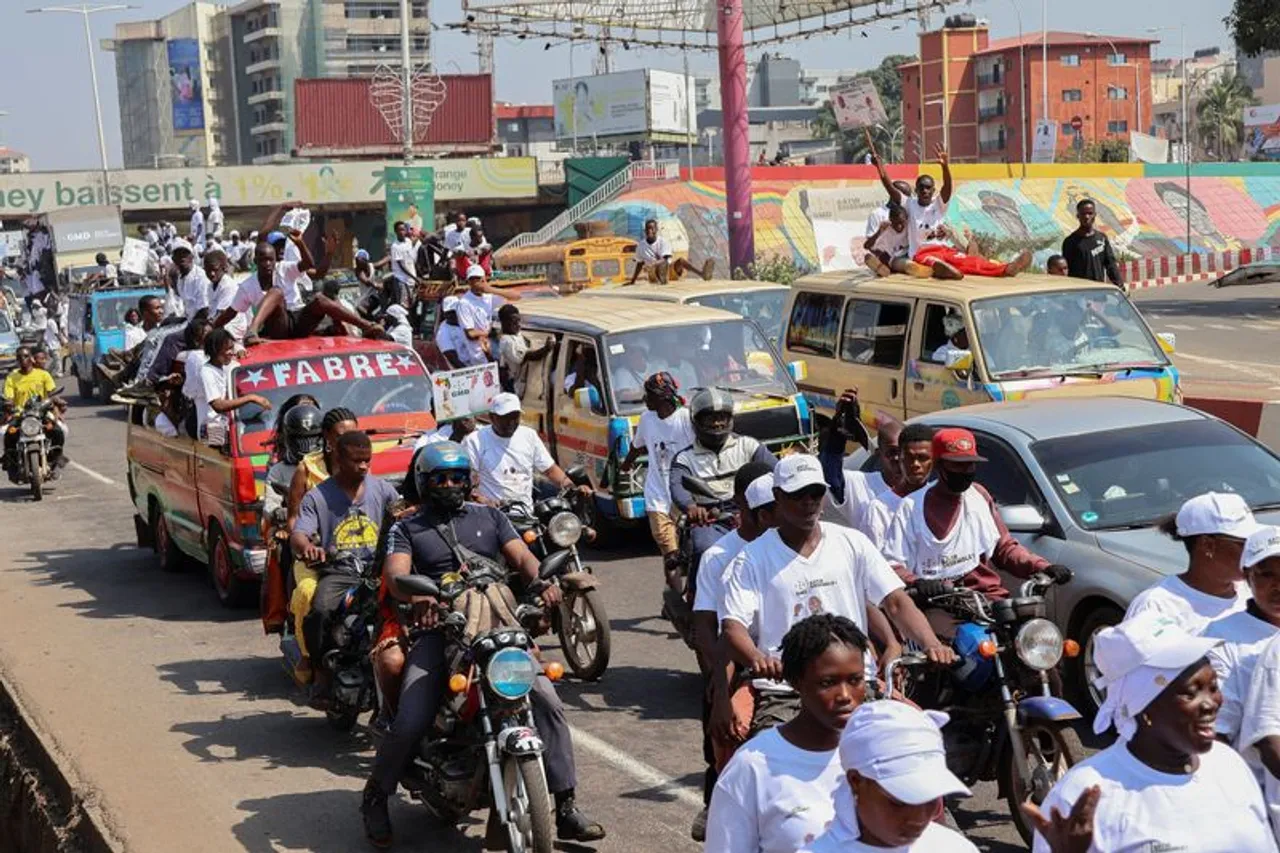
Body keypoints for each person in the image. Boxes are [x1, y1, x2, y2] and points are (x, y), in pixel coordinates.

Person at [362, 441, 605, 847]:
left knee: (547, 702)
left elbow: (523, 558)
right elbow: (396, 575)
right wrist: (419, 596)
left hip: (499, 627)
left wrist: (542, 582)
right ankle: (375, 796)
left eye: (457, 477)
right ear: (423, 482)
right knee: (411, 717)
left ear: (468, 479)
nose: (450, 485)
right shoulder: (407, 527)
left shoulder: (490, 517)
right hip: (441, 631)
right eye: (440, 478)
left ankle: (565, 806)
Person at [718, 454, 955, 737]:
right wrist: (758, 658)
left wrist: (930, 643)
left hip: (856, 686)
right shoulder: (750, 560)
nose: (809, 502)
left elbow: (895, 601)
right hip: (786, 692)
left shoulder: (852, 542)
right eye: (798, 495)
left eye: (816, 493)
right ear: (778, 496)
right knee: (772, 755)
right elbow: (733, 627)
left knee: (915, 741)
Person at [1027, 611, 1276, 853]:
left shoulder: (1230, 765)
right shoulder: (1083, 795)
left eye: (1213, 687)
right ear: (1143, 707)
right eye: (1191, 693)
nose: (1211, 703)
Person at [704, 614, 871, 853]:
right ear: (795, 682)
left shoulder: (878, 753)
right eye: (827, 682)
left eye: (855, 680)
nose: (845, 695)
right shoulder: (752, 767)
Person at [883, 427, 1069, 607]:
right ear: (939, 465)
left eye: (969, 464)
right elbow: (893, 564)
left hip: (986, 598)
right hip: (940, 602)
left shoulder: (978, 496)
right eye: (957, 465)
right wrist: (917, 582)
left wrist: (1042, 567)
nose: (965, 471)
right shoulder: (912, 507)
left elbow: (1004, 547)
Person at [691, 465, 776, 839]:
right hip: (738, 661)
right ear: (744, 503)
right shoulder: (719, 555)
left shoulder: (795, 544)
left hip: (786, 660)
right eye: (768, 507)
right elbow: (706, 626)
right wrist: (718, 679)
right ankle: (716, 801)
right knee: (722, 726)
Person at [291, 430, 401, 685]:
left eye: (367, 460)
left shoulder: (383, 490)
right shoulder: (317, 497)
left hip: (379, 570)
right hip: (340, 571)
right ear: (338, 459)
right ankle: (320, 672)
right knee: (320, 611)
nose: (363, 466)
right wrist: (308, 547)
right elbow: (299, 534)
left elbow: (403, 513)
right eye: (356, 460)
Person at [799, 702, 977, 853]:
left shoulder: (954, 848)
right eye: (899, 802)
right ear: (856, 781)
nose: (918, 818)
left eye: (930, 799)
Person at [668, 388, 778, 591]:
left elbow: (775, 471)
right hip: (710, 518)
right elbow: (677, 486)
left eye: (722, 417)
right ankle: (696, 597)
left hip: (750, 512)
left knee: (779, 545)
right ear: (696, 421)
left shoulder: (748, 445)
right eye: (711, 418)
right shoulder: (685, 458)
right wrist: (691, 507)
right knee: (706, 551)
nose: (717, 424)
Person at [873, 141, 1030, 279]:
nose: (925, 191)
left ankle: (1006, 269)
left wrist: (944, 166)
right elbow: (890, 187)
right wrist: (880, 168)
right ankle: (945, 271)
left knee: (970, 261)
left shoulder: (938, 205)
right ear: (916, 190)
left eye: (928, 188)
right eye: (921, 188)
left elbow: (947, 187)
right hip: (921, 254)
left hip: (943, 249)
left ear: (933, 190)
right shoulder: (909, 204)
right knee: (932, 262)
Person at [285, 407, 360, 682]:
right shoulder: (307, 469)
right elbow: (293, 519)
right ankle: (310, 655)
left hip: (356, 551)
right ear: (327, 438)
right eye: (341, 437)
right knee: (308, 592)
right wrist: (307, 546)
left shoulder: (363, 466)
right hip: (316, 558)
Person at [1125, 492, 1259, 634]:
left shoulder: (1258, 591)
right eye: (1245, 543)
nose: (1254, 550)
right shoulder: (1156, 606)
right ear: (1207, 545)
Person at [1203, 526, 1280, 771]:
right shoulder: (1220, 637)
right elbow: (1216, 731)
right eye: (1267, 575)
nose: (1278, 586)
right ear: (1247, 576)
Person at [230, 235, 382, 344]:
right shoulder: (247, 285)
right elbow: (230, 312)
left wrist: (301, 243)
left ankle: (366, 326)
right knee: (277, 292)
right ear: (256, 261)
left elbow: (314, 269)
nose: (268, 264)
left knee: (319, 299)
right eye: (264, 259)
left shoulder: (285, 268)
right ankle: (252, 332)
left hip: (298, 320)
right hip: (278, 325)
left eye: (271, 259)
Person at [621, 372, 696, 578]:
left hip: (685, 494)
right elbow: (637, 446)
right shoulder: (647, 419)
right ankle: (674, 591)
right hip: (658, 495)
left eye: (649, 395)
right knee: (670, 553)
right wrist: (626, 464)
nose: (645, 399)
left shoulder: (686, 419)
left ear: (662, 397)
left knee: (693, 549)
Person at [463, 392, 588, 511]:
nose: (511, 422)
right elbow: (469, 481)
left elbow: (550, 469)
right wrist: (483, 500)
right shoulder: (475, 441)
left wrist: (571, 487)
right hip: (492, 514)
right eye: (505, 418)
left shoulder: (529, 436)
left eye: (515, 417)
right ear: (492, 417)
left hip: (526, 513)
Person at [819, 390, 901, 535]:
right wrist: (837, 434)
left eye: (903, 452)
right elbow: (831, 477)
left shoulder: (924, 493)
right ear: (879, 453)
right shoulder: (861, 485)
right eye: (892, 452)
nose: (897, 458)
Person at [863, 422, 934, 549]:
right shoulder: (879, 509)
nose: (916, 464)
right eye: (909, 457)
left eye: (922, 458)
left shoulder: (939, 502)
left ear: (934, 460)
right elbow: (871, 556)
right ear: (900, 458)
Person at [195, 328, 270, 445]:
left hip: (227, 426)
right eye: (227, 349)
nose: (231, 352)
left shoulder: (225, 367)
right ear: (215, 350)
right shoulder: (207, 372)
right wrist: (251, 398)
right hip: (213, 430)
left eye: (232, 348)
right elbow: (218, 405)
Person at [2, 345, 62, 480]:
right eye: (19, 357)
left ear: (32, 358)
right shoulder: (12, 377)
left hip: (41, 413)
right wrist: (8, 404)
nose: (23, 359)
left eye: (26, 356)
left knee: (59, 431)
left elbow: (52, 392)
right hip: (20, 414)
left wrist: (55, 400)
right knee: (8, 435)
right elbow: (8, 397)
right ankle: (11, 465)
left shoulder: (43, 375)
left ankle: (56, 461)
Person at [1062, 199, 1124, 288]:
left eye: (1090, 213)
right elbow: (1066, 271)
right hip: (1081, 291)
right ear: (1078, 216)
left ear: (1095, 215)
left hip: (1098, 290)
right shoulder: (1070, 242)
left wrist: (1120, 285)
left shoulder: (1102, 238)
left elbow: (1111, 265)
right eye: (1083, 214)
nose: (1087, 216)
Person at [629, 218, 711, 284]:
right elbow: (639, 263)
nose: (650, 231)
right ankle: (662, 279)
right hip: (653, 272)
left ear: (656, 230)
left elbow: (666, 259)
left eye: (652, 228)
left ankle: (702, 274)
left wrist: (654, 263)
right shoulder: (641, 246)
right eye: (648, 229)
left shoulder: (663, 242)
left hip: (668, 269)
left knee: (680, 261)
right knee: (659, 266)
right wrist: (633, 280)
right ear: (645, 230)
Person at [863, 202, 931, 278]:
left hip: (911, 254)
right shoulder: (887, 231)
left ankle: (886, 268)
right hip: (895, 259)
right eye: (895, 223)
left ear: (906, 219)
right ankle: (884, 269)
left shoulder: (911, 226)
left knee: (913, 261)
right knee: (906, 264)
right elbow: (866, 246)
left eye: (902, 223)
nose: (899, 226)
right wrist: (879, 232)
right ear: (890, 220)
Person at [496, 303, 551, 395]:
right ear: (504, 323)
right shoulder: (507, 341)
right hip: (512, 386)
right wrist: (547, 348)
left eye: (519, 321)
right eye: (514, 322)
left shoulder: (516, 334)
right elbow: (528, 356)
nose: (518, 325)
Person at [454, 265, 503, 366]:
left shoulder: (488, 298)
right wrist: (488, 334)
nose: (476, 283)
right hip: (478, 357)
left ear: (484, 279)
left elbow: (509, 298)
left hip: (491, 350)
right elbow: (471, 334)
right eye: (472, 280)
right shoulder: (464, 303)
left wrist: (489, 288)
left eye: (479, 279)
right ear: (468, 282)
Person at [172, 243, 210, 318]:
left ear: (192, 257)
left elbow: (205, 309)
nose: (182, 257)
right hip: (189, 317)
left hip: (201, 318)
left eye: (185, 254)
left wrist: (190, 323)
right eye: (178, 254)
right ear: (174, 259)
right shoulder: (180, 278)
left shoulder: (200, 276)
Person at [388, 221, 419, 297]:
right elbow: (402, 266)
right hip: (402, 281)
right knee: (403, 303)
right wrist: (415, 278)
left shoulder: (408, 241)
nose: (401, 232)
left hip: (411, 280)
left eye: (403, 229)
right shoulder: (395, 246)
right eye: (399, 230)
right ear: (396, 231)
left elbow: (411, 260)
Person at [434, 295, 465, 368]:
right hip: (463, 370)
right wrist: (472, 371)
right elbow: (453, 359)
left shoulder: (466, 323)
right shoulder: (443, 332)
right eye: (450, 312)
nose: (454, 314)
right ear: (445, 314)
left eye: (455, 311)